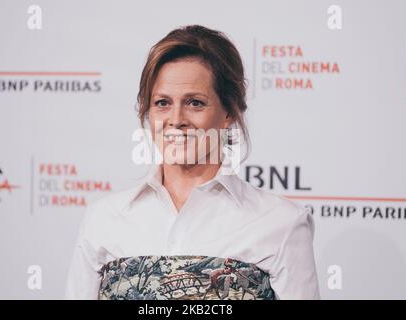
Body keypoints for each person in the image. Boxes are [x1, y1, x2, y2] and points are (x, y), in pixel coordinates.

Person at [65, 24, 320, 300]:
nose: (176, 119)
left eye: (195, 103)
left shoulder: (281, 223)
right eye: (162, 103)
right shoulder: (103, 219)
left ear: (229, 112)